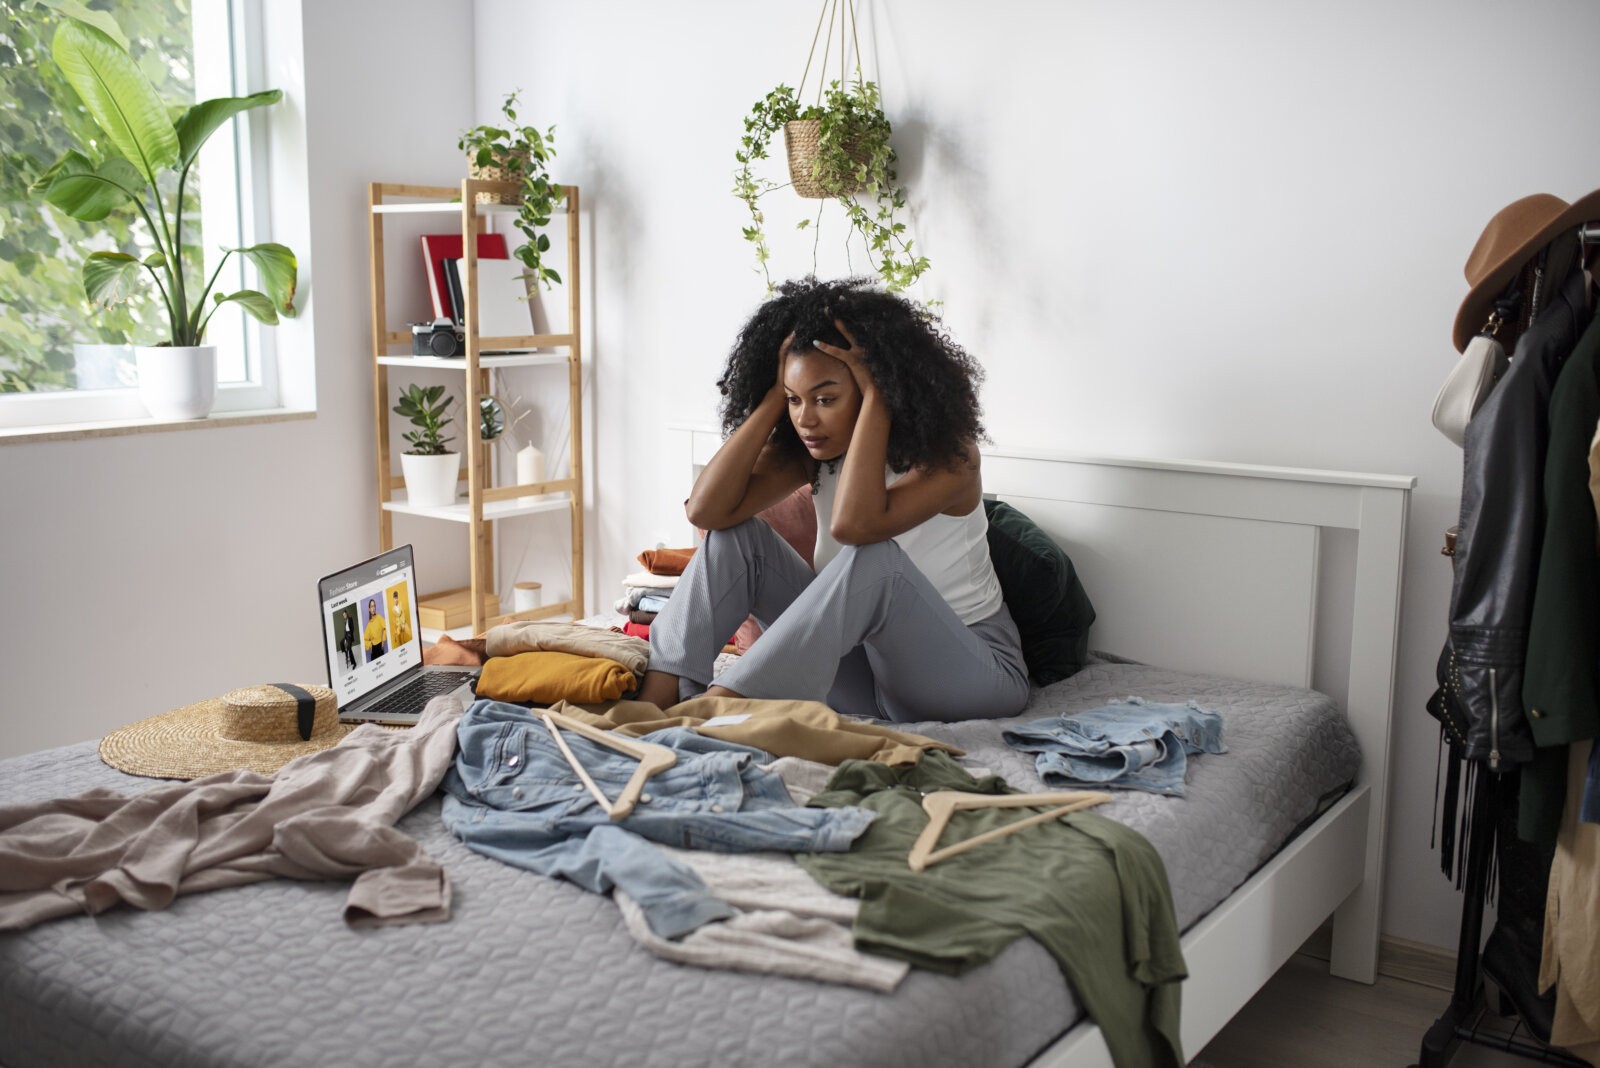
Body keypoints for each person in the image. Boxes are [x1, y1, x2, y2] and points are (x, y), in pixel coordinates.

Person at [636, 276, 1029, 723]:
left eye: (825, 398)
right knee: (737, 536)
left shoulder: (951, 459)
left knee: (875, 559)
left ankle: (725, 703)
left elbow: (855, 528)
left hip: (969, 677)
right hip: (863, 681)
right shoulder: (817, 453)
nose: (806, 419)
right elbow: (705, 511)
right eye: (795, 400)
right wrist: (770, 398)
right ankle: (655, 696)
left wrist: (879, 393)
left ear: (874, 387)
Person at [363, 597, 387, 662]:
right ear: (369, 609)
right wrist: (370, 645)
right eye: (371, 606)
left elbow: (386, 627)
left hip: (380, 647)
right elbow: (364, 639)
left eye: (374, 606)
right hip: (373, 649)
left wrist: (383, 641)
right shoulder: (369, 624)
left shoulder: (379, 617)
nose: (373, 608)